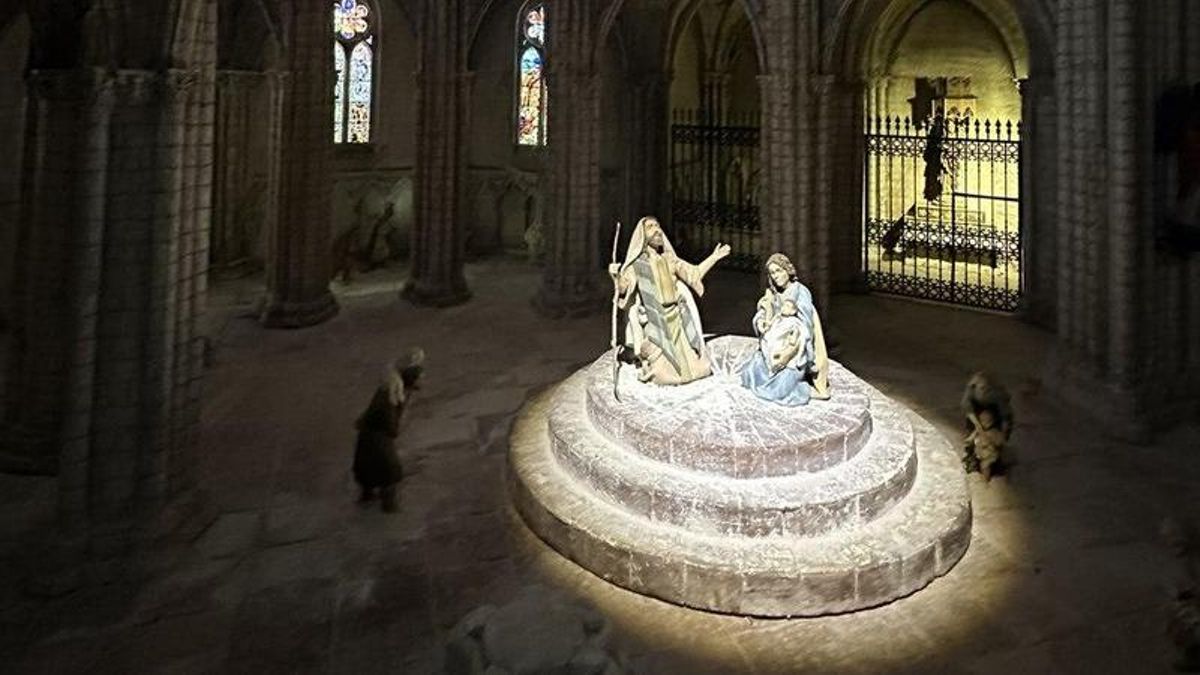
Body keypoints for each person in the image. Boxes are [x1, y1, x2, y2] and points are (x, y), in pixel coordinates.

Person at [608, 216, 730, 385]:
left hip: (677, 317)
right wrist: (615, 276)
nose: (657, 230)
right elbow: (623, 288)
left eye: (658, 226)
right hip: (656, 319)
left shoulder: (670, 260)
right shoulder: (637, 265)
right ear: (642, 236)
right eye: (651, 227)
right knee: (663, 377)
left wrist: (714, 257)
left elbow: (694, 273)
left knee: (699, 370)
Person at [740, 253, 830, 406]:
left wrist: (788, 353)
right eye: (772, 273)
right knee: (750, 373)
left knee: (779, 388)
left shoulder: (800, 292)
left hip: (794, 351)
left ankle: (803, 387)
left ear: (788, 270)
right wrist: (761, 321)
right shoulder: (773, 293)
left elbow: (805, 327)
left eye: (779, 271)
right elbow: (763, 310)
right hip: (773, 346)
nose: (776, 276)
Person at [353, 348, 424, 512]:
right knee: (389, 470)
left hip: (369, 436)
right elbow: (390, 422)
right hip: (378, 438)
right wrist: (394, 430)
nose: (422, 379)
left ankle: (367, 494)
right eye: (419, 377)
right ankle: (389, 505)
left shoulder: (391, 389)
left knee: (367, 466)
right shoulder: (391, 395)